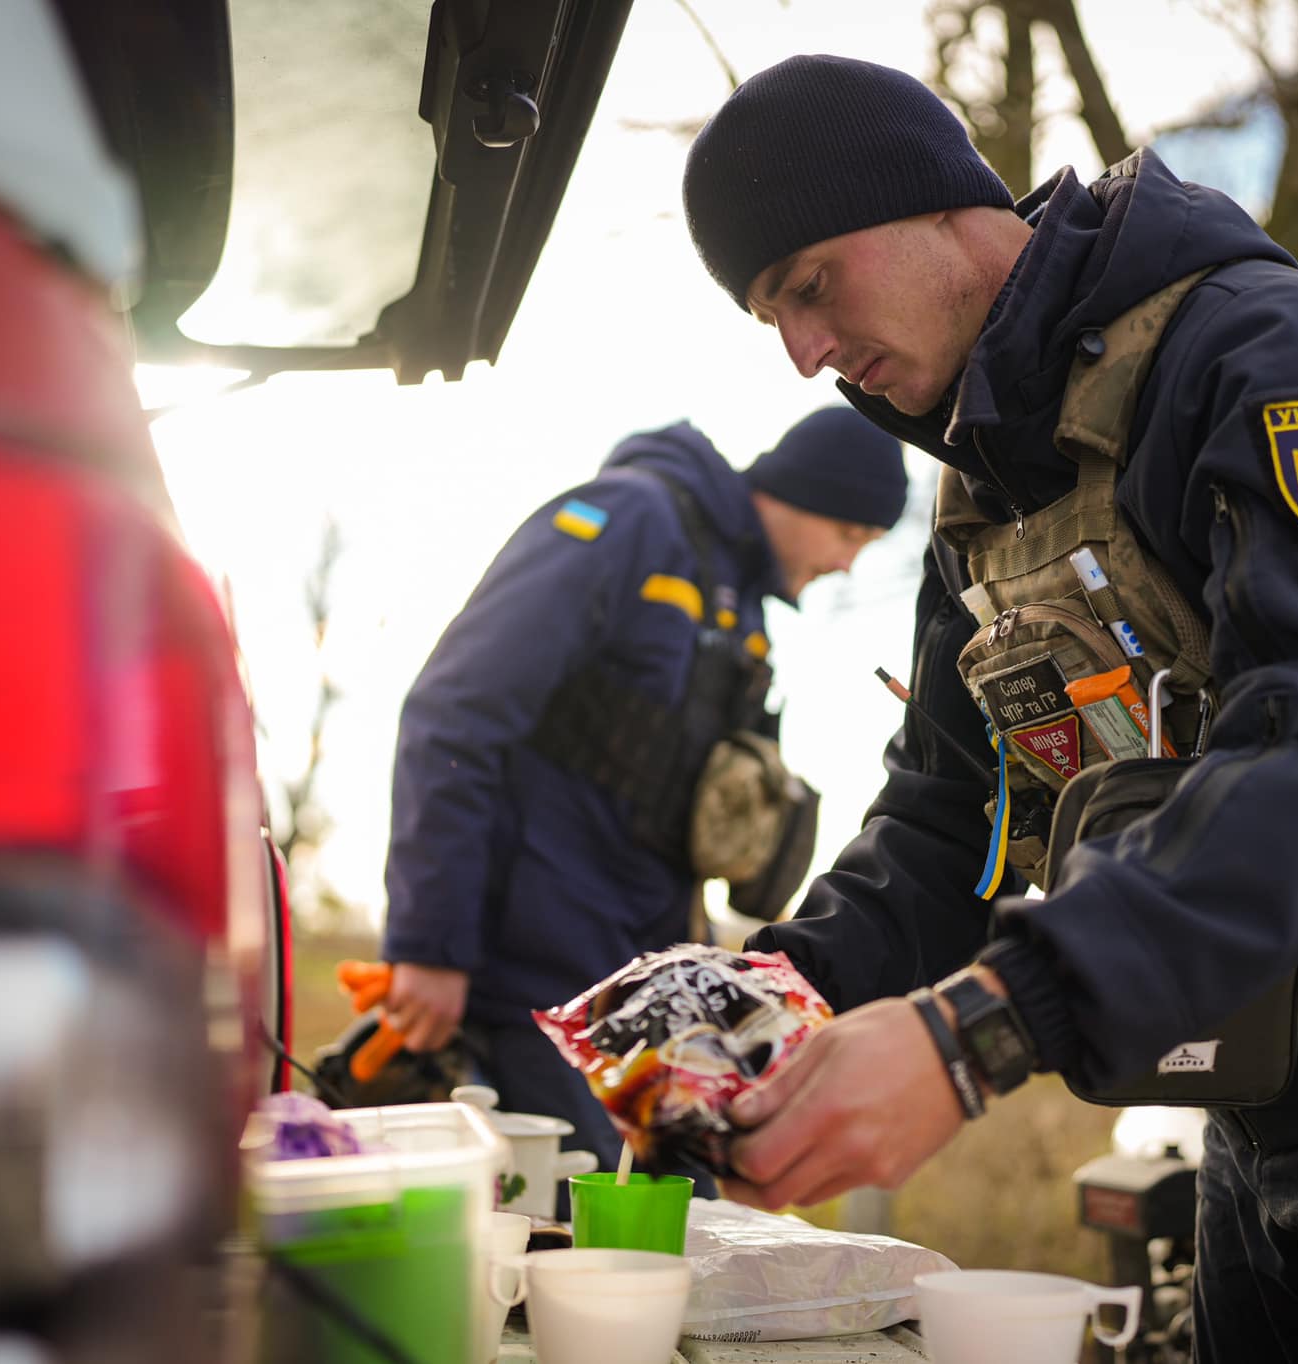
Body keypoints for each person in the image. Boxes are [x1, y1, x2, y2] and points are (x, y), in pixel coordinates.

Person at [680, 54, 1298, 1361]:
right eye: (773, 318)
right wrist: (761, 1000)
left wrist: (978, 1032)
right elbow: (948, 821)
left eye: (808, 286)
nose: (806, 354)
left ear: (933, 197)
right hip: (1250, 1092)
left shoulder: (1260, 351)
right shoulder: (982, 496)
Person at [377, 409, 907, 1200]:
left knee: (680, 1227)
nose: (845, 567)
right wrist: (429, 944)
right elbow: (455, 713)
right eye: (852, 538)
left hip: (631, 1004)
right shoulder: (627, 522)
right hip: (528, 983)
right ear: (810, 495)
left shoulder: (739, 610)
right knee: (573, 1239)